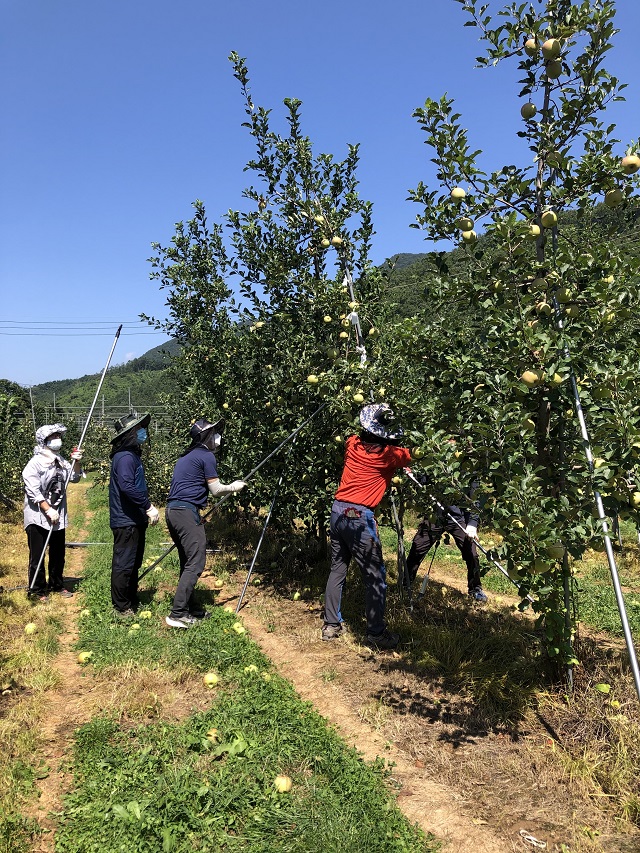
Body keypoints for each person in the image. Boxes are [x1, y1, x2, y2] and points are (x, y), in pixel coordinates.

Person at [322, 403, 411, 650]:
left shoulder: (351, 444)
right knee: (374, 576)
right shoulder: (390, 456)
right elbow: (413, 453)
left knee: (337, 569)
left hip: (338, 510)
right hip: (359, 516)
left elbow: (361, 435)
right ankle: (375, 632)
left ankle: (331, 625)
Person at [164, 417, 247, 628]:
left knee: (187, 560)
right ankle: (178, 613)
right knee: (196, 561)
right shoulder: (206, 456)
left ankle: (189, 607)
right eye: (214, 433)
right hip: (185, 512)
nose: (218, 437)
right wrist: (234, 487)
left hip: (174, 510)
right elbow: (216, 489)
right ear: (205, 437)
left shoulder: (186, 457)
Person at [22, 423, 83, 601]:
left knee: (58, 554)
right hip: (38, 517)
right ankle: (37, 589)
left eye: (58, 436)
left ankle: (57, 584)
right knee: (38, 555)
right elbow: (33, 490)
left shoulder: (61, 460)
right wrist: (48, 509)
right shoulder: (34, 464)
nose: (58, 440)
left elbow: (74, 477)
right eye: (53, 437)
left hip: (57, 516)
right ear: (44, 441)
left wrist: (76, 463)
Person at [406, 470, 487, 603]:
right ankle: (406, 581)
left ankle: (475, 588)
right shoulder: (437, 463)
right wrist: (413, 474)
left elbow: (475, 499)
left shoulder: (469, 468)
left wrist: (472, 523)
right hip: (435, 515)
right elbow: (423, 481)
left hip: (458, 518)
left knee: (471, 553)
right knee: (418, 546)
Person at [108, 413, 159, 618]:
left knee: (134, 562)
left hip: (134, 519)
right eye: (139, 429)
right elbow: (126, 486)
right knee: (124, 563)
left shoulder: (131, 455)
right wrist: (148, 506)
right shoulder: (125, 457)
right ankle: (121, 606)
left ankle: (129, 598)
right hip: (126, 519)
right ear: (129, 434)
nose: (143, 432)